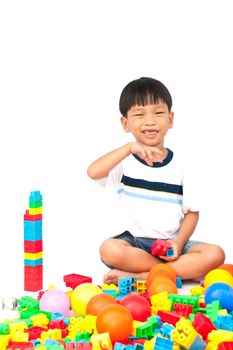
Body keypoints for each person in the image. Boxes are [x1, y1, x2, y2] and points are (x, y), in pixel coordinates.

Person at [87, 77, 225, 285]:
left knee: (215, 254)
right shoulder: (124, 162)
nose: (150, 121)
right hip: (134, 246)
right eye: (139, 114)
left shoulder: (182, 166)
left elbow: (192, 213)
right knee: (109, 249)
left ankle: (140, 276)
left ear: (170, 119)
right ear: (125, 123)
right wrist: (128, 148)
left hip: (172, 247)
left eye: (158, 113)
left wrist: (178, 244)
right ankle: (180, 271)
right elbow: (93, 172)